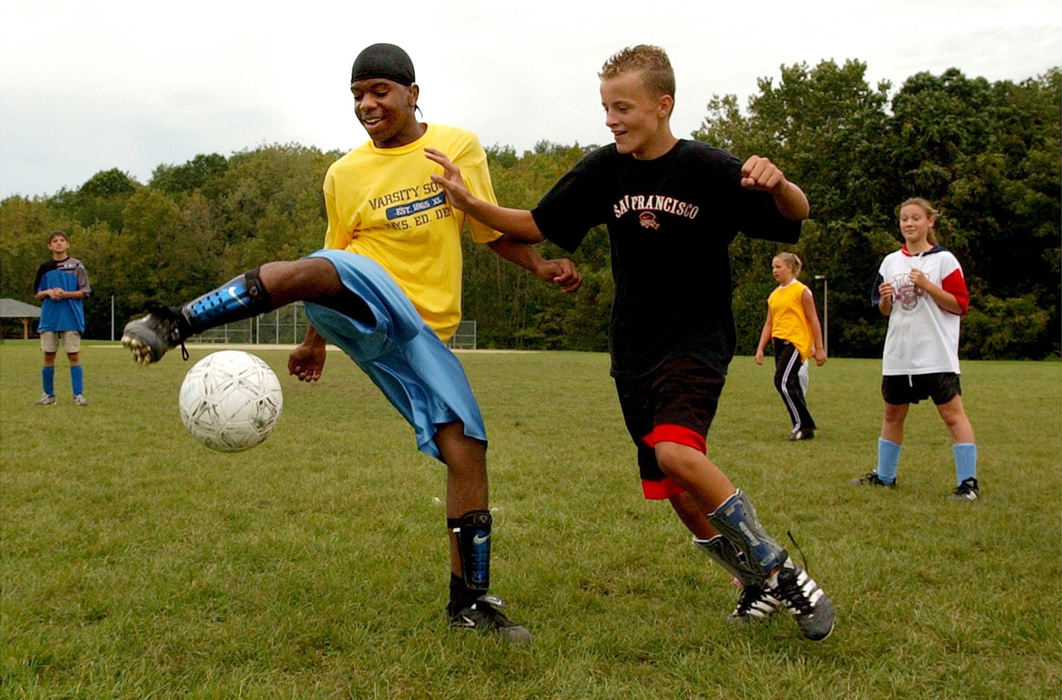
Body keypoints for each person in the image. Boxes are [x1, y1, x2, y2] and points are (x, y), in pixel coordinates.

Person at [121, 43, 582, 643]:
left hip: (421, 334)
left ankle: (469, 604)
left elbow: (487, 228)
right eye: (357, 94)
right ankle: (175, 321)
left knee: (466, 449)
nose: (367, 104)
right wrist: (316, 338)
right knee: (306, 268)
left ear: (412, 94)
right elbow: (333, 260)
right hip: (367, 297)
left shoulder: (457, 146)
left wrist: (541, 266)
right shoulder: (344, 173)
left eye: (378, 91)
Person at [426, 45, 835, 641]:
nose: (612, 119)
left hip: (696, 340)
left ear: (663, 105)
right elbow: (537, 224)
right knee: (671, 487)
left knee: (676, 453)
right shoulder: (603, 170)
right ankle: (750, 582)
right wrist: (469, 202)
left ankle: (782, 571)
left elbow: (793, 214)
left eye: (624, 107)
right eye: (605, 108)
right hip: (632, 348)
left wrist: (781, 183)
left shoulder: (707, 168)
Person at [852, 197, 980, 501]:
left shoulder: (944, 260)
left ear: (929, 222)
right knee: (892, 415)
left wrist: (929, 285)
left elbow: (960, 305)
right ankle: (885, 477)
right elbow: (884, 310)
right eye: (904, 218)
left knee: (952, 415)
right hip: (899, 354)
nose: (909, 224)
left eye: (915, 218)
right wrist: (884, 298)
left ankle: (969, 484)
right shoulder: (890, 262)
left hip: (935, 353)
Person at [754, 252, 826, 440]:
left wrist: (819, 348)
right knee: (790, 383)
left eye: (778, 266)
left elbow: (814, 320)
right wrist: (761, 348)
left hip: (795, 342)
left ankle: (802, 424)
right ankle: (806, 428)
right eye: (773, 267)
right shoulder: (774, 295)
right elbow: (769, 323)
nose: (774, 270)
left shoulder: (801, 291)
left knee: (782, 381)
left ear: (790, 268)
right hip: (779, 343)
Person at [33, 230, 91, 406]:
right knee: (48, 356)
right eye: (55, 241)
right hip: (49, 319)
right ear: (49, 246)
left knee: (73, 356)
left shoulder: (77, 266)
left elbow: (85, 292)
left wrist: (65, 294)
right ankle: (49, 395)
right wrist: (49, 292)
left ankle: (78, 395)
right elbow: (37, 293)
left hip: (71, 318)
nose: (59, 243)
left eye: (62, 240)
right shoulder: (44, 268)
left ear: (67, 244)